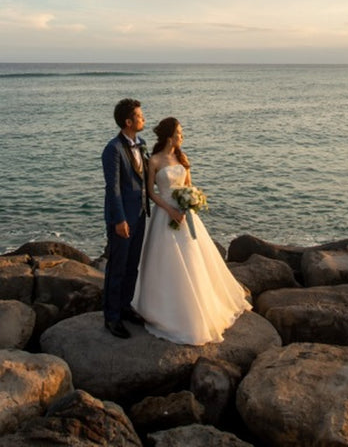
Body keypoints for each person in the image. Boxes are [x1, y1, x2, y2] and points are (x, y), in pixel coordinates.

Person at [131, 117, 251, 345]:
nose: (182, 135)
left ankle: (198, 307)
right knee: (165, 263)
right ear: (169, 136)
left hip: (185, 215)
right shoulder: (154, 160)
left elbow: (189, 187)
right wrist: (169, 210)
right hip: (164, 214)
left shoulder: (182, 159)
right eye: (179, 131)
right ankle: (164, 311)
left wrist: (190, 203)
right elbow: (151, 193)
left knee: (193, 260)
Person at [101, 98, 150, 338]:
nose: (144, 119)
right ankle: (111, 317)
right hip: (121, 219)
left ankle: (125, 306)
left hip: (140, 215)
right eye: (140, 117)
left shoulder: (142, 144)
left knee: (133, 266)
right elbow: (114, 189)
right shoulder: (113, 149)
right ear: (128, 121)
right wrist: (119, 220)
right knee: (117, 267)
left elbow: (145, 179)